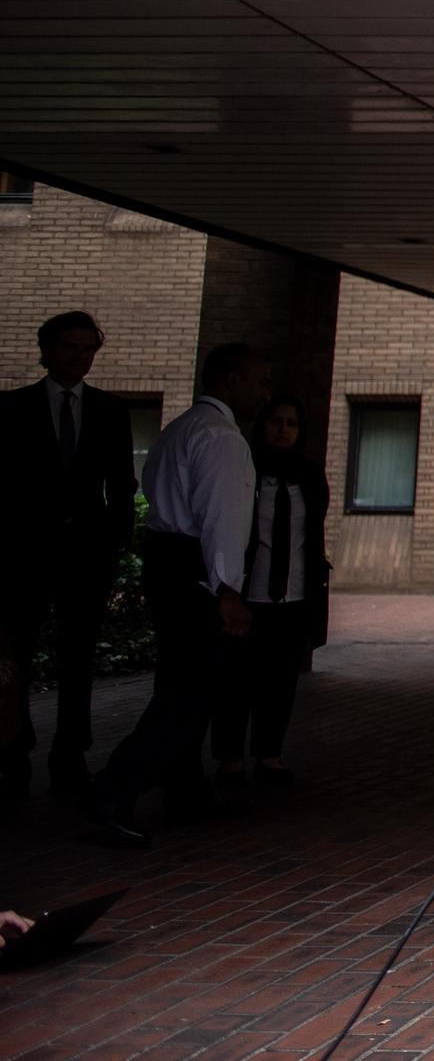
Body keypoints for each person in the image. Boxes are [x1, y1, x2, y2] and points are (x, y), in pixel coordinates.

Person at [83, 342, 273, 847]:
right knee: (189, 693)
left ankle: (185, 789)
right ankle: (113, 790)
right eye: (260, 381)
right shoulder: (222, 438)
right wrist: (227, 590)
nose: (265, 393)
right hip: (195, 570)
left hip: (164, 562)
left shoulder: (177, 429)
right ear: (232, 381)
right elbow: (222, 520)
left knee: (179, 678)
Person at [1, 310, 139, 804]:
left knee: (77, 658)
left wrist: (115, 540)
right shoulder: (11, 408)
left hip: (86, 555)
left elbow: (123, 483)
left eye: (87, 349)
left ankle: (69, 755)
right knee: (16, 657)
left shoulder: (110, 410)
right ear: (47, 350)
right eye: (69, 347)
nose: (79, 357)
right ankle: (12, 752)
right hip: (23, 556)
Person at [213, 397, 329, 790]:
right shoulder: (246, 474)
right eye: (275, 422)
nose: (283, 429)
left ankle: (269, 755)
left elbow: (313, 537)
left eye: (291, 423)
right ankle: (229, 760)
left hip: (293, 598)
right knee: (236, 682)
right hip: (249, 596)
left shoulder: (310, 479)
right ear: (261, 426)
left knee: (280, 683)